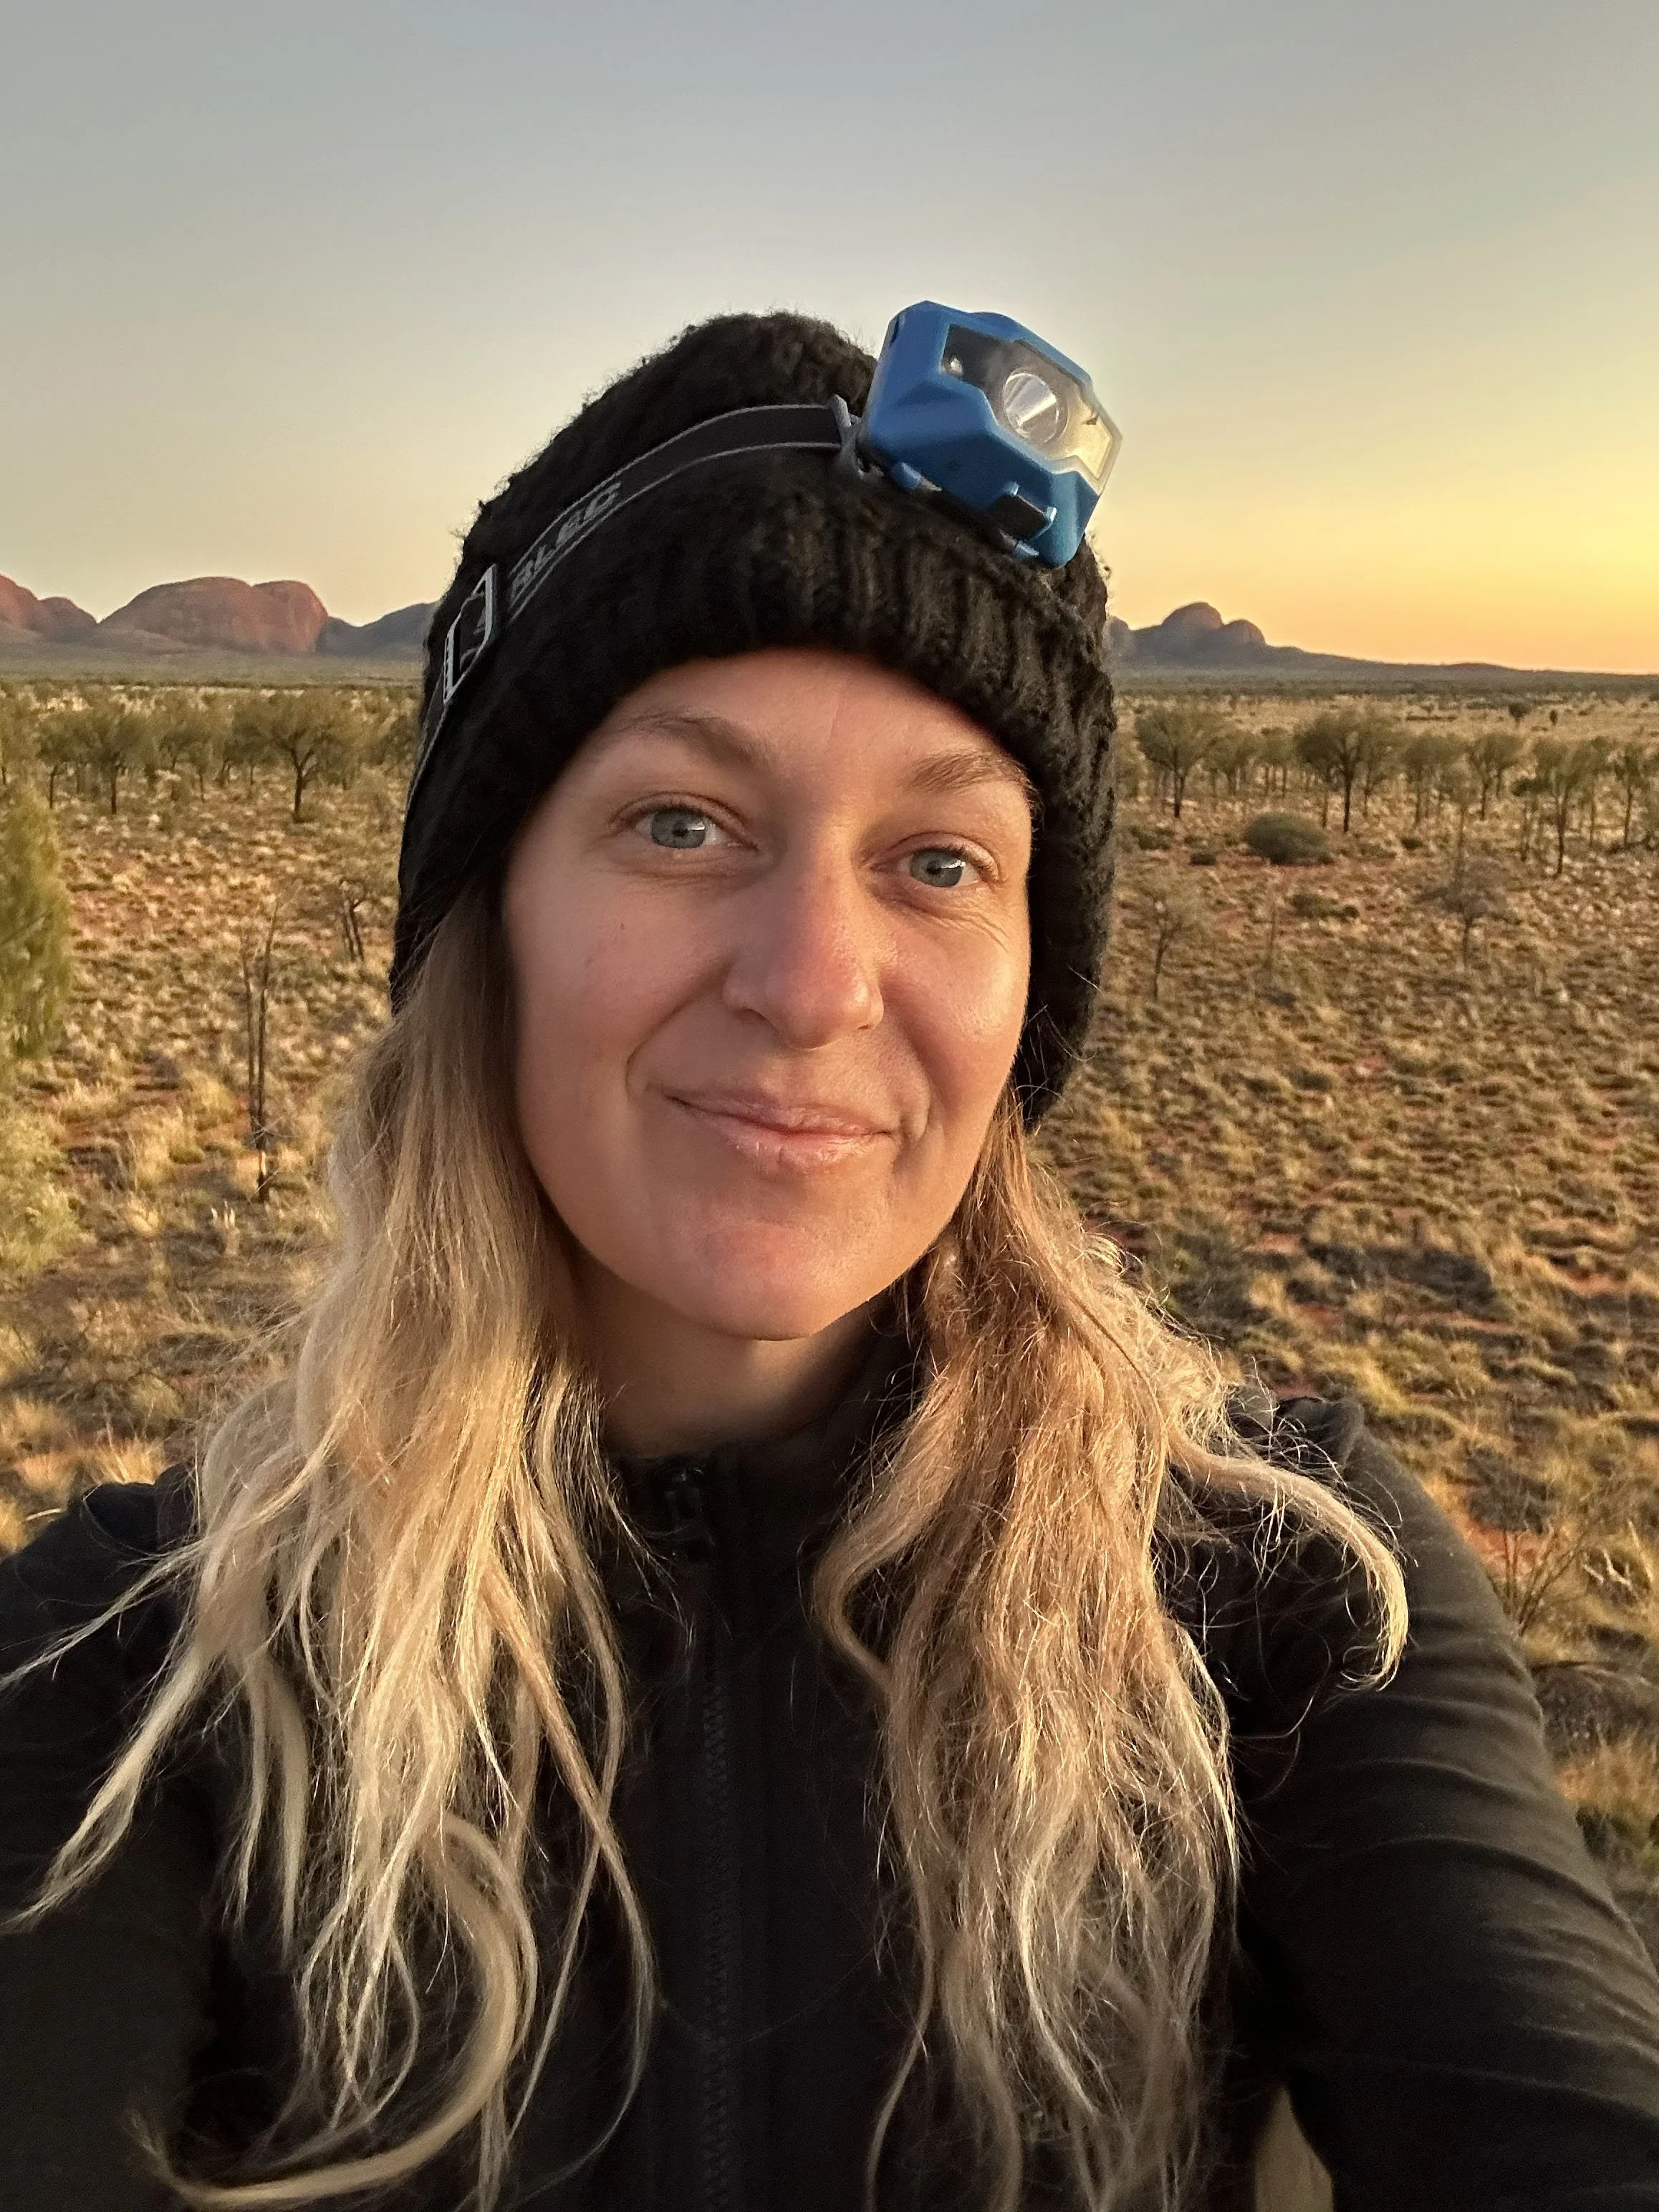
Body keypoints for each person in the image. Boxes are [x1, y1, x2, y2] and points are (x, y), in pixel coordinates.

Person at [3, 307, 1658, 2212]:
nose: (808, 983)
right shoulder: (135, 1678)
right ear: (494, 921)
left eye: (937, 863)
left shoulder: (1278, 1607)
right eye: (681, 822)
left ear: (1030, 979)